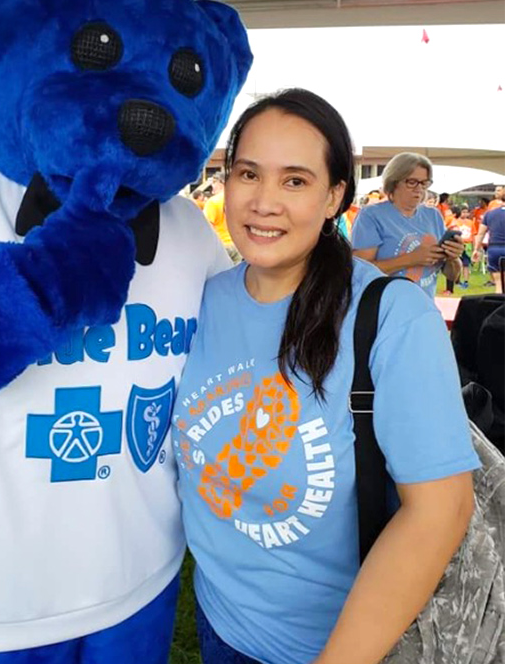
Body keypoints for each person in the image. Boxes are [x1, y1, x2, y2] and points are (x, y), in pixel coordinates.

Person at [172, 89, 478, 664]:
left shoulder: (391, 314)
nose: (264, 202)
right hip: (219, 621)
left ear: (335, 194)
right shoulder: (203, 299)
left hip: (339, 646)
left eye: (295, 181)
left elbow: (440, 511)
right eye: (248, 173)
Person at [351, 153, 463, 298]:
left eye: (424, 183)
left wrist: (453, 257)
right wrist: (412, 259)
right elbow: (361, 274)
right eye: (412, 182)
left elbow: (453, 276)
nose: (419, 189)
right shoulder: (371, 215)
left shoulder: (433, 216)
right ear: (394, 182)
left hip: (424, 308)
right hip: (383, 309)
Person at [204, 170, 240, 263]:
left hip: (220, 245)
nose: (212, 186)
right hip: (236, 244)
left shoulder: (213, 202)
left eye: (214, 182)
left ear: (221, 182)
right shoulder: (237, 200)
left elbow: (207, 227)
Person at [473, 192, 505, 293]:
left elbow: (481, 234)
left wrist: (476, 249)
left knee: (499, 282)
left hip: (494, 248)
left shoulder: (490, 214)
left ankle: (500, 305)